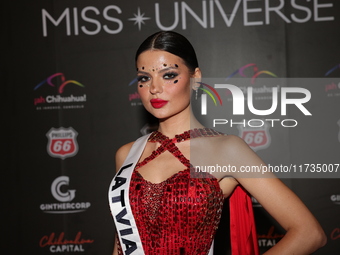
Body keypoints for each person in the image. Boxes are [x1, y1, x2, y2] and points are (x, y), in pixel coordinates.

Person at [108, 31, 326, 255]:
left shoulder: (226, 150)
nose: (154, 88)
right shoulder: (127, 154)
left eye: (168, 74)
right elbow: (121, 243)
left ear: (196, 78)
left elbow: (309, 233)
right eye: (144, 78)